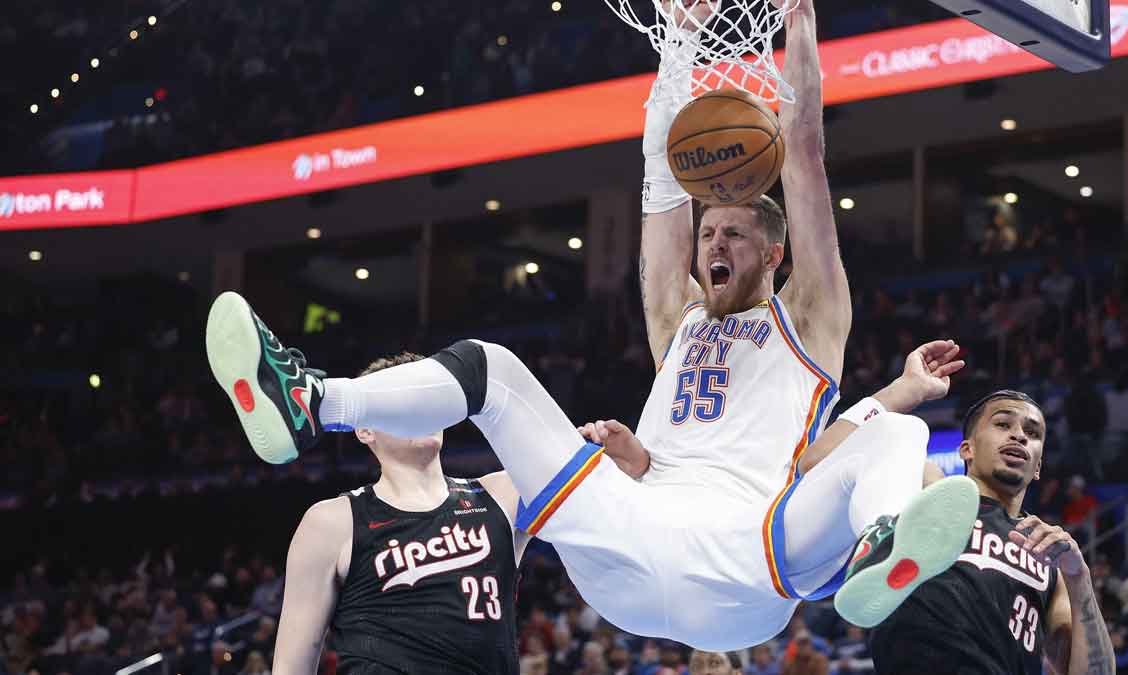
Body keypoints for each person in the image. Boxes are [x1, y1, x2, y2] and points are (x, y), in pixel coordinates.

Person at [205, 1, 979, 649]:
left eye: (734, 234)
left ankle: (883, 544)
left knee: (899, 434)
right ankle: (312, 401)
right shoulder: (675, 320)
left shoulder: (811, 317)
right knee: (491, 367)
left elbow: (804, 153)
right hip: (629, 538)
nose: (713, 242)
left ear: (775, 251)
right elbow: (657, 189)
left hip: (753, 551)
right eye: (707, 232)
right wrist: (677, 47)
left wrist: (800, 20)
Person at [270, 354, 644, 674]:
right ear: (364, 428)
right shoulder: (331, 522)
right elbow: (291, 666)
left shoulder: (502, 493)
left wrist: (612, 449)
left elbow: (621, 482)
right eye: (400, 404)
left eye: (428, 401)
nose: (420, 413)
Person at [868, 390, 1116, 675]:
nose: (1019, 435)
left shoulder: (1045, 559)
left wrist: (1079, 576)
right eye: (1002, 424)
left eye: (1032, 432)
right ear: (967, 449)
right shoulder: (927, 492)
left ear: (1038, 467)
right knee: (905, 433)